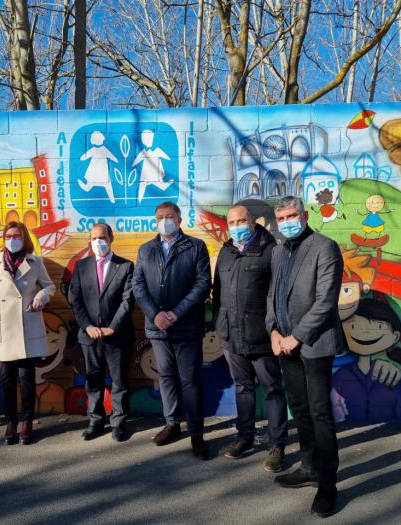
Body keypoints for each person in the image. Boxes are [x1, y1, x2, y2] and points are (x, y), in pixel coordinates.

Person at [265, 196, 343, 518]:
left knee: (320, 413)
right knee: (299, 408)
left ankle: (328, 486)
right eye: (281, 217)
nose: (287, 221)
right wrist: (272, 332)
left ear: (305, 214)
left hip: (312, 344)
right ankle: (309, 466)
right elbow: (272, 294)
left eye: (292, 215)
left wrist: (296, 337)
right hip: (284, 345)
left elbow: (325, 301)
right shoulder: (278, 251)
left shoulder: (325, 247)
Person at [132, 201, 212, 460]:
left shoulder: (196, 247)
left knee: (190, 380)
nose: (164, 220)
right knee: (165, 376)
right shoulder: (146, 250)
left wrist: (176, 313)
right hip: (157, 328)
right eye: (159, 217)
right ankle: (172, 424)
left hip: (186, 326)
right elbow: (138, 285)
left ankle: (197, 433)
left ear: (179, 219)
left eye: (169, 216)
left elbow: (202, 284)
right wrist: (156, 314)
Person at [212, 204, 288, 470]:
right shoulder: (226, 252)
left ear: (253, 222)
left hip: (262, 336)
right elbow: (218, 291)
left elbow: (277, 295)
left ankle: (277, 445)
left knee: (272, 391)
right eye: (232, 222)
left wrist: (274, 329)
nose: (236, 226)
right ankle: (244, 437)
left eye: (241, 221)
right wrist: (220, 326)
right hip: (232, 337)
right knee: (242, 388)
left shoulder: (271, 251)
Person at [0, 222, 56, 445]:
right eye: (8, 235)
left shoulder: (35, 261)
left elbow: (49, 287)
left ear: (24, 238)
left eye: (17, 235)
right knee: (5, 379)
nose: (12, 239)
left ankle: (27, 422)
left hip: (26, 325)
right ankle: (10, 422)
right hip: (2, 327)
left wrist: (40, 298)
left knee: (27, 379)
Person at [68, 222, 135, 442]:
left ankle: (118, 422)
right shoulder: (81, 266)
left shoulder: (125, 266)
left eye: (102, 238)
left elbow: (128, 301)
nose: (98, 242)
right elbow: (75, 299)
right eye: (94, 238)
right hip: (89, 336)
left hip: (116, 336)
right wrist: (87, 326)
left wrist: (112, 327)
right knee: (93, 381)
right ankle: (95, 421)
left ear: (111, 238)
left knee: (119, 381)